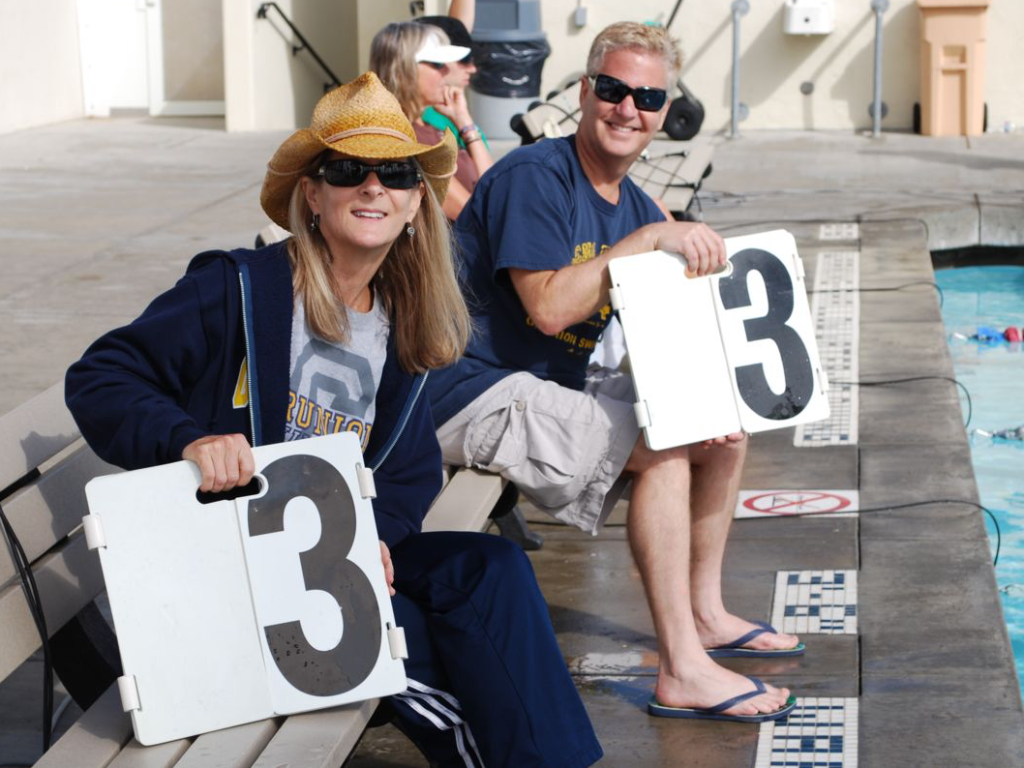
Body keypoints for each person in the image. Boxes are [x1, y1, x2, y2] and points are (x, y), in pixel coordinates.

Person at [65, 72, 602, 767]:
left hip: (324, 570)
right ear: (312, 195)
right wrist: (188, 440)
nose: (373, 187)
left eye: (396, 174)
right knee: (431, 645)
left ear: (416, 205)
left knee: (489, 567)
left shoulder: (400, 322)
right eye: (348, 170)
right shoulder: (236, 291)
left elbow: (406, 477)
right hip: (229, 571)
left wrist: (370, 542)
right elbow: (101, 377)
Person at [428, 22, 801, 723]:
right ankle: (684, 669)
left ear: (664, 111)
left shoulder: (633, 204)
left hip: (535, 388)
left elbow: (671, 323)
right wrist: (645, 242)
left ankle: (707, 612)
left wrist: (706, 398)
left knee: (720, 424)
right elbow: (546, 309)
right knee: (657, 445)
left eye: (647, 96)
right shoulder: (537, 176)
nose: (628, 108)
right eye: (613, 89)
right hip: (465, 388)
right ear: (584, 91)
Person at [370, 21, 492, 220]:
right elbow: (474, 217)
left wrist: (464, 121)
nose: (446, 71)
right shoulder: (404, 138)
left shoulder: (428, 127)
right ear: (403, 70)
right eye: (437, 64)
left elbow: (495, 185)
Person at [414, 14, 491, 151]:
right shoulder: (421, 116)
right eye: (465, 59)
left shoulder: (453, 109)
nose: (472, 68)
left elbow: (488, 172)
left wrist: (464, 122)